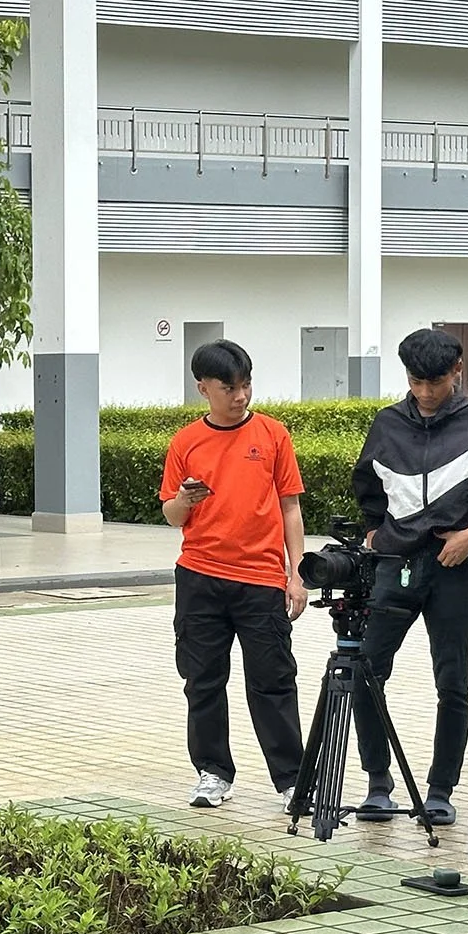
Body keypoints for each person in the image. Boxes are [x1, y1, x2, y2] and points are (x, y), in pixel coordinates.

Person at [349, 328, 468, 828]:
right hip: (392, 568)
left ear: (457, 372)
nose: (425, 393)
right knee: (365, 671)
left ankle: (440, 790)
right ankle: (378, 784)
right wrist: (373, 532)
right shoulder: (386, 425)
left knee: (453, 684)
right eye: (415, 382)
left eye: (435, 382)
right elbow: (367, 486)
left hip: (453, 569)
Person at [160, 339, 308, 810]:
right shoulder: (185, 442)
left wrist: (296, 574)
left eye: (246, 385)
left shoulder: (273, 435)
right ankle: (212, 772)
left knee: (272, 680)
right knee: (202, 679)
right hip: (199, 577)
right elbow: (171, 515)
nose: (240, 396)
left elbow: (290, 507)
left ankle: (291, 780)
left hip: (260, 578)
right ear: (203, 388)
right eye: (229, 388)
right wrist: (185, 500)